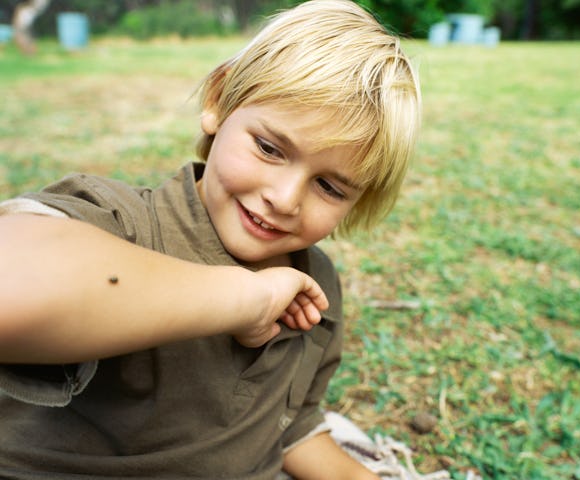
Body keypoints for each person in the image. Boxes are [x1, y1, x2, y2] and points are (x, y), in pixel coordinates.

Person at [0, 0, 420, 478]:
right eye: (268, 148)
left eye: (329, 186)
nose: (284, 199)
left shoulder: (316, 283)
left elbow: (284, 426)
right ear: (219, 100)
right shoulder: (126, 223)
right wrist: (244, 298)